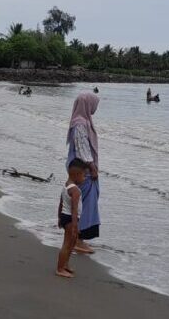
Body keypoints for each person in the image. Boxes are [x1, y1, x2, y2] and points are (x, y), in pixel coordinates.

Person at [66, 92, 101, 253]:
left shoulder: (82, 121)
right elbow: (82, 149)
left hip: (80, 169)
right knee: (85, 203)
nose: (95, 108)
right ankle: (78, 239)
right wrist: (92, 167)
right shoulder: (80, 123)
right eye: (94, 104)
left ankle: (75, 236)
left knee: (81, 202)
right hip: (83, 170)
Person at [55, 158, 89, 278]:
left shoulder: (66, 186)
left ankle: (65, 264)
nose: (84, 178)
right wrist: (75, 226)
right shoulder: (75, 190)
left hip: (65, 217)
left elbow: (61, 203)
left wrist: (59, 217)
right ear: (77, 175)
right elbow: (74, 210)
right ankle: (60, 268)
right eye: (84, 176)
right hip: (71, 219)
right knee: (67, 244)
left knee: (72, 242)